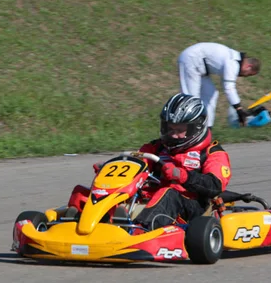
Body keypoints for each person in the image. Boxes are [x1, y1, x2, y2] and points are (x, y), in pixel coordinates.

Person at [66, 93, 232, 230]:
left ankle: (140, 230)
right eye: (170, 128)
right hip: (148, 201)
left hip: (191, 208)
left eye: (180, 130)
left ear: (196, 128)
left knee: (168, 193)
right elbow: (135, 164)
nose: (174, 135)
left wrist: (181, 175)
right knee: (84, 192)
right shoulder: (156, 148)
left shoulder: (212, 153)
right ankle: (73, 223)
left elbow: (214, 186)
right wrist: (110, 171)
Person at [177, 42, 261, 128]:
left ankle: (207, 128)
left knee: (211, 93)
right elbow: (229, 88)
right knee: (191, 98)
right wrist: (239, 109)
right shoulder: (233, 63)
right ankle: (184, 129)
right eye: (249, 74)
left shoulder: (234, 58)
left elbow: (226, 84)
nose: (245, 76)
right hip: (191, 60)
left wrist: (238, 108)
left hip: (199, 65)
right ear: (248, 66)